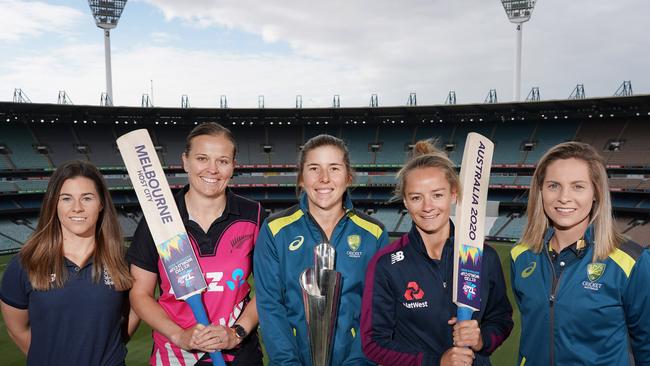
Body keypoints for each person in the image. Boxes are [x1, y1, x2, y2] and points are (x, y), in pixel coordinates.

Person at [361, 140, 513, 366]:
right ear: (405, 201)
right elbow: (373, 343)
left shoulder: (482, 257)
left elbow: (500, 319)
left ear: (453, 195)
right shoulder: (386, 264)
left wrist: (482, 339)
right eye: (416, 197)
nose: (427, 206)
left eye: (437, 195)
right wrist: (434, 362)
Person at [128, 122, 265, 365]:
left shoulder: (254, 216)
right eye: (202, 158)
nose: (212, 169)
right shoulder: (158, 219)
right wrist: (179, 336)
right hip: (174, 355)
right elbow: (140, 294)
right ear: (185, 161)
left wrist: (236, 334)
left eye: (222, 161)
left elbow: (269, 289)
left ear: (233, 166)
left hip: (239, 355)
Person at [510, 141, 650, 366]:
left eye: (578, 186)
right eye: (553, 185)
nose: (564, 197)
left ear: (596, 193)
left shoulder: (631, 262)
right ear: (541, 191)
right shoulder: (521, 256)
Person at [254, 134, 389, 365]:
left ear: (348, 177)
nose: (324, 178)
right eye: (314, 168)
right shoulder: (275, 230)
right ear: (301, 178)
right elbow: (270, 305)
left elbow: (377, 310)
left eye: (334, 168)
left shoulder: (373, 233)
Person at [0, 160, 137, 365]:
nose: (77, 208)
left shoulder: (123, 260)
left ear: (101, 204)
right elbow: (17, 329)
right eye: (66, 198)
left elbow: (134, 312)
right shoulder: (25, 264)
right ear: (54, 203)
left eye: (87, 198)